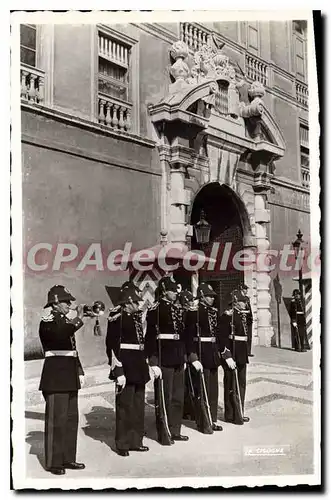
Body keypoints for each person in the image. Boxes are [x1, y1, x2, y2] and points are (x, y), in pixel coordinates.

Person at [39, 285, 86, 475]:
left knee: (70, 419)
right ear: (56, 303)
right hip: (55, 375)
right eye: (67, 301)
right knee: (56, 420)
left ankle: (68, 458)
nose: (70, 305)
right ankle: (54, 462)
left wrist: (80, 371)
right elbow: (60, 335)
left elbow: (73, 349)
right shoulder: (48, 321)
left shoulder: (65, 321)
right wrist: (78, 319)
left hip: (69, 373)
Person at [106, 282, 150, 457]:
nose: (138, 305)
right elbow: (111, 346)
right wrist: (118, 371)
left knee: (138, 406)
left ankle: (136, 441)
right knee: (125, 406)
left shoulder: (135, 316)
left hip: (138, 365)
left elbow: (141, 344)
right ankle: (123, 443)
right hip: (125, 365)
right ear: (127, 303)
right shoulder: (117, 317)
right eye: (135, 302)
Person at [145, 275, 188, 443]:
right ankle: (164, 433)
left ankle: (175, 430)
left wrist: (183, 356)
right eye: (172, 290)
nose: (175, 293)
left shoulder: (177, 308)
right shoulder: (155, 309)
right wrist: (153, 361)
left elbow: (182, 335)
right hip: (164, 356)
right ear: (164, 291)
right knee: (165, 398)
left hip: (177, 356)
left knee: (178, 396)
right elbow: (150, 336)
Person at [183, 283, 224, 432]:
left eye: (213, 296)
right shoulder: (194, 312)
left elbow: (218, 335)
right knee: (202, 389)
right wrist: (193, 357)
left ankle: (212, 419)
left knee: (213, 390)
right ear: (201, 296)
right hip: (201, 353)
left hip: (212, 354)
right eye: (208, 296)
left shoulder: (213, 311)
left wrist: (222, 352)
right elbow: (188, 336)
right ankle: (203, 422)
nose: (212, 299)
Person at [219, 299, 250, 425]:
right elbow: (222, 337)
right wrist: (227, 355)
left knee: (241, 384)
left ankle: (239, 412)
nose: (245, 303)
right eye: (243, 301)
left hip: (241, 353)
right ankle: (231, 414)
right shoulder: (228, 316)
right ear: (236, 302)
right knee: (231, 384)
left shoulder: (242, 315)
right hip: (233, 353)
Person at [239, 284, 254, 357]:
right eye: (245, 289)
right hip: (244, 319)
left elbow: (249, 309)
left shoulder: (247, 298)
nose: (246, 291)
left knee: (249, 337)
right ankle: (244, 351)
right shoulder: (239, 298)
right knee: (244, 336)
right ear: (242, 289)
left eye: (246, 289)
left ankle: (248, 351)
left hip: (249, 320)